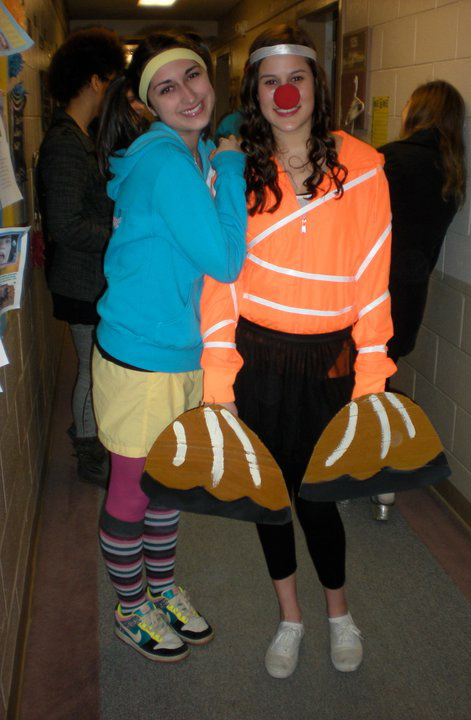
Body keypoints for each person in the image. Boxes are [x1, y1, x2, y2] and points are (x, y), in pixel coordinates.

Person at [200, 25, 395, 678]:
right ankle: (291, 617)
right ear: (255, 93)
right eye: (270, 81)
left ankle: (339, 613)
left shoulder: (364, 168)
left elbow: (373, 282)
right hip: (256, 360)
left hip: (328, 363)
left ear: (317, 84)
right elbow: (220, 284)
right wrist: (219, 382)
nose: (285, 93)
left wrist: (372, 379)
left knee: (318, 496)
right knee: (269, 496)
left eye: (297, 78)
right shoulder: (234, 171)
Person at [92, 32, 247, 663]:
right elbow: (225, 260)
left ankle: (160, 590)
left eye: (193, 76)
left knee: (166, 486)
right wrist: (232, 167)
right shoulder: (164, 161)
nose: (187, 94)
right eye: (167, 87)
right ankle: (131, 609)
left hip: (177, 350)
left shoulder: (191, 152)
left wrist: (223, 148)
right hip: (141, 356)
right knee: (133, 492)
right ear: (144, 102)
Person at [372, 80, 466, 521]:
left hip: (370, 293)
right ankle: (382, 476)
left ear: (417, 111)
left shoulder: (389, 159)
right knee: (381, 374)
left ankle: (366, 466)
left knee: (357, 380)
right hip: (410, 296)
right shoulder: (452, 173)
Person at [37, 27, 126, 486]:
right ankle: (88, 449)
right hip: (79, 283)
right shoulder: (65, 144)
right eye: (111, 80)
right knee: (92, 372)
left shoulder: (80, 135)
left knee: (95, 370)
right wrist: (120, 236)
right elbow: (66, 224)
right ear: (94, 81)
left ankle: (87, 432)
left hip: (90, 279)